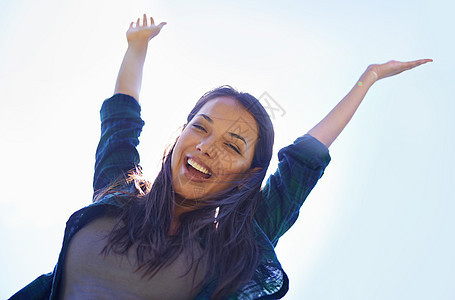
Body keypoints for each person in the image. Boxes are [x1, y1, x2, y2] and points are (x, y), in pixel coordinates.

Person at [10, 14, 432, 300]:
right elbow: (121, 117)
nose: (206, 146)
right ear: (179, 138)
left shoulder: (236, 245)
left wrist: (367, 79)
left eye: (232, 145)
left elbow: (302, 162)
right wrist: (137, 48)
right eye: (200, 127)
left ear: (247, 176)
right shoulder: (119, 191)